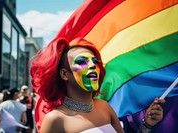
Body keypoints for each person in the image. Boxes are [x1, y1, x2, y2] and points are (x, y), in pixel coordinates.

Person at [30, 38, 165, 133]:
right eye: (82, 62)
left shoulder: (104, 107)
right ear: (65, 74)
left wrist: (147, 124)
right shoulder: (55, 119)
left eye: (95, 61)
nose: (93, 66)